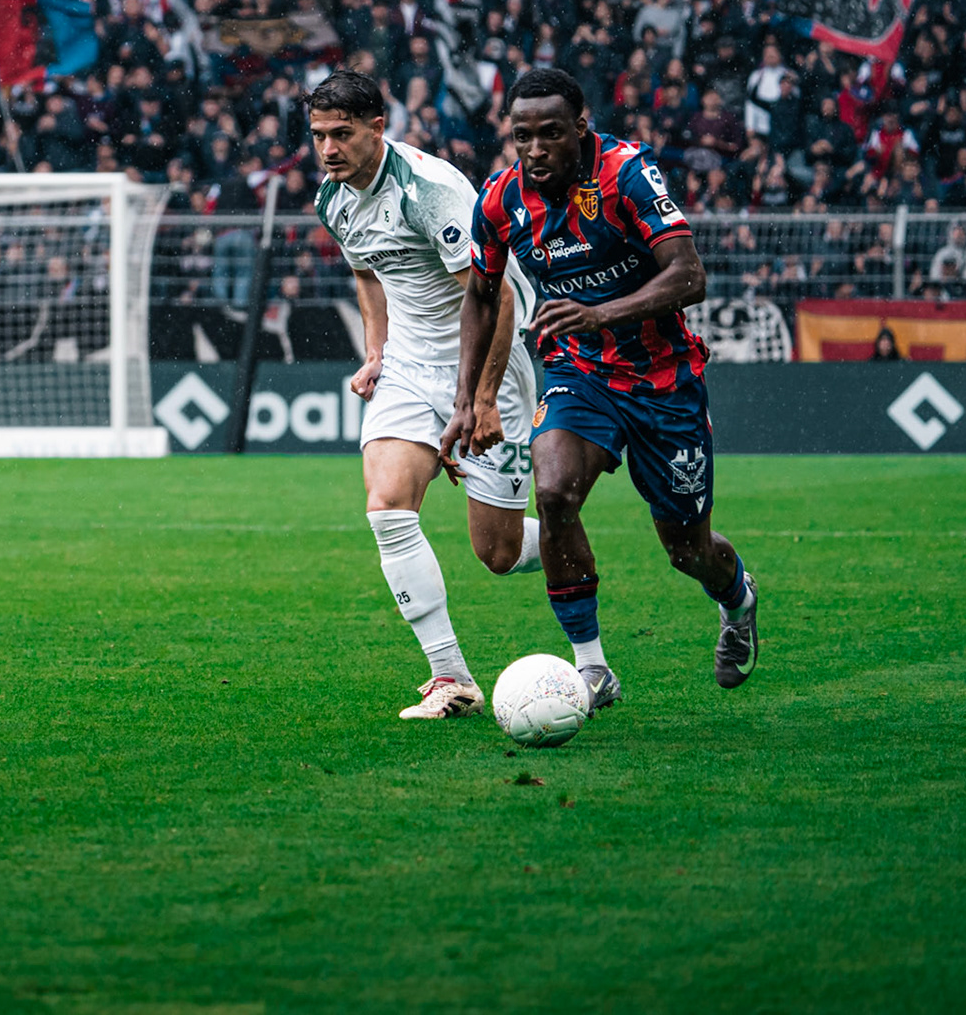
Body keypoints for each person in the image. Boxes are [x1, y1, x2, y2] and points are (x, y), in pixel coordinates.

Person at [443, 69, 758, 710]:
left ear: (580, 128)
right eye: (522, 136)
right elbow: (479, 294)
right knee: (554, 492)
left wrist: (602, 313)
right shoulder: (500, 200)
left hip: (663, 380)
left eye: (551, 134)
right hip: (576, 370)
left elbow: (689, 276)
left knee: (688, 550)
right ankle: (591, 667)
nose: (535, 150)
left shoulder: (627, 174)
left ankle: (739, 599)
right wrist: (464, 401)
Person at [308, 69, 540, 723]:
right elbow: (368, 274)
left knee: (495, 553)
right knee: (386, 505)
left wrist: (483, 397)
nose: (329, 148)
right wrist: (377, 352)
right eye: (319, 135)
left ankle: (565, 541)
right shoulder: (334, 198)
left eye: (342, 134)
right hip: (410, 364)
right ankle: (451, 677)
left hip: (487, 359)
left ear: (377, 127)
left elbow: (498, 298)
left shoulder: (431, 193)